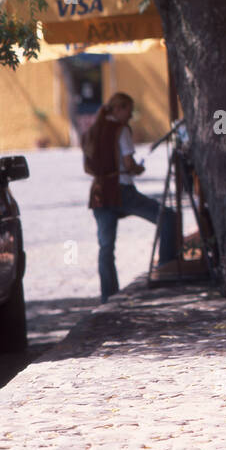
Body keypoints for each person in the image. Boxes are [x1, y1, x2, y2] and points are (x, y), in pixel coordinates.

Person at [84, 92, 178, 303]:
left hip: (99, 191)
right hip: (121, 190)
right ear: (118, 109)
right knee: (167, 217)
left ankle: (108, 295)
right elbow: (128, 164)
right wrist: (138, 169)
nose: (130, 116)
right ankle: (166, 267)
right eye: (128, 111)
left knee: (106, 247)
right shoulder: (121, 130)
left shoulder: (94, 129)